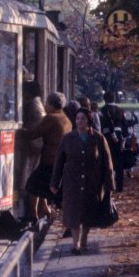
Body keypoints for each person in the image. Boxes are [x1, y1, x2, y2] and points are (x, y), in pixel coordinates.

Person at [50, 107, 115, 255]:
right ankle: (75, 244)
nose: (80, 121)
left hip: (92, 182)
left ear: (89, 121)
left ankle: (84, 240)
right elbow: (59, 162)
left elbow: (107, 162)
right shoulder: (68, 138)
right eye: (78, 119)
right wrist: (55, 182)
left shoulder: (98, 138)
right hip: (72, 182)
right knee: (73, 213)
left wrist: (109, 184)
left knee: (87, 213)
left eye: (83, 119)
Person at [23, 92, 72, 223]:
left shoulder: (51, 118)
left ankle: (33, 215)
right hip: (61, 160)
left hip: (50, 160)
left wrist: (19, 132)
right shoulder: (65, 118)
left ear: (51, 104)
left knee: (32, 185)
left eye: (46, 103)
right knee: (45, 186)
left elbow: (35, 133)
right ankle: (45, 209)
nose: (44, 105)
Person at [17, 80, 46, 222]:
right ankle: (40, 209)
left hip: (32, 145)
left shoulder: (32, 105)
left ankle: (32, 211)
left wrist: (22, 133)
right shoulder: (37, 103)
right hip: (35, 145)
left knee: (28, 177)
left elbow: (32, 128)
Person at [100, 91, 128, 191]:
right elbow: (125, 125)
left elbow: (101, 126)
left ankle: (108, 186)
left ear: (105, 99)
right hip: (119, 136)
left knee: (107, 161)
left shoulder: (102, 110)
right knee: (119, 162)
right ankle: (120, 186)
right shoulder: (120, 110)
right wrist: (124, 139)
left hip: (106, 137)